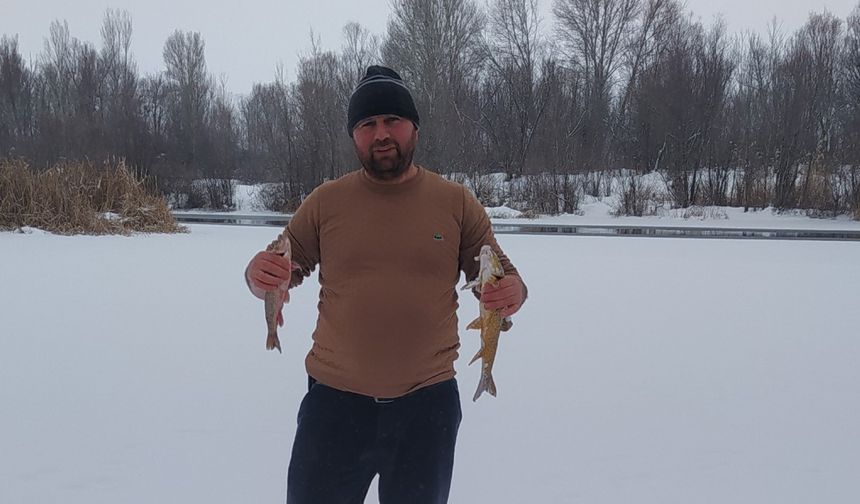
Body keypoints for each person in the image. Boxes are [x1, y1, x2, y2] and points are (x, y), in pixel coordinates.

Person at [244, 65, 527, 504]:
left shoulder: (454, 202)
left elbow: (499, 273)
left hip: (426, 408)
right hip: (334, 407)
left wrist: (515, 292)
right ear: (354, 135)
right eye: (367, 124)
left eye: (392, 120)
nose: (381, 134)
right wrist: (256, 274)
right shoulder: (326, 202)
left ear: (414, 126)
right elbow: (283, 263)